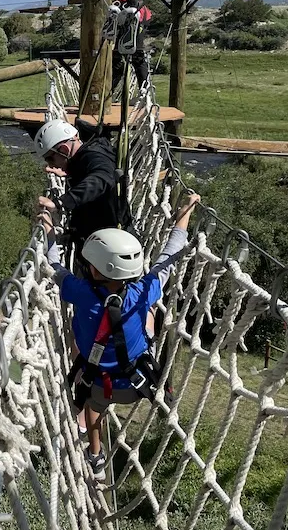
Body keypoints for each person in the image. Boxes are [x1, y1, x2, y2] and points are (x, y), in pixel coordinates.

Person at [41, 193, 201, 475]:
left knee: (93, 409)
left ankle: (96, 455)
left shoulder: (79, 292)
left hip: (100, 383)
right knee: (149, 314)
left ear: (94, 268)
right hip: (137, 383)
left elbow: (54, 267)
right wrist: (185, 213)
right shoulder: (143, 291)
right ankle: (165, 388)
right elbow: (169, 257)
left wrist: (50, 232)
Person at [35, 119, 132, 255]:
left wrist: (60, 202)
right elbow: (90, 172)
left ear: (64, 149)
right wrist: (70, 172)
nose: (50, 165)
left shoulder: (95, 158)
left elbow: (100, 179)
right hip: (103, 237)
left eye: (50, 158)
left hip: (110, 247)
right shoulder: (89, 152)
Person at [75, 0, 151, 89]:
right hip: (123, 14)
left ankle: (144, 92)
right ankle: (108, 92)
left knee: (136, 54)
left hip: (136, 13)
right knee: (116, 56)